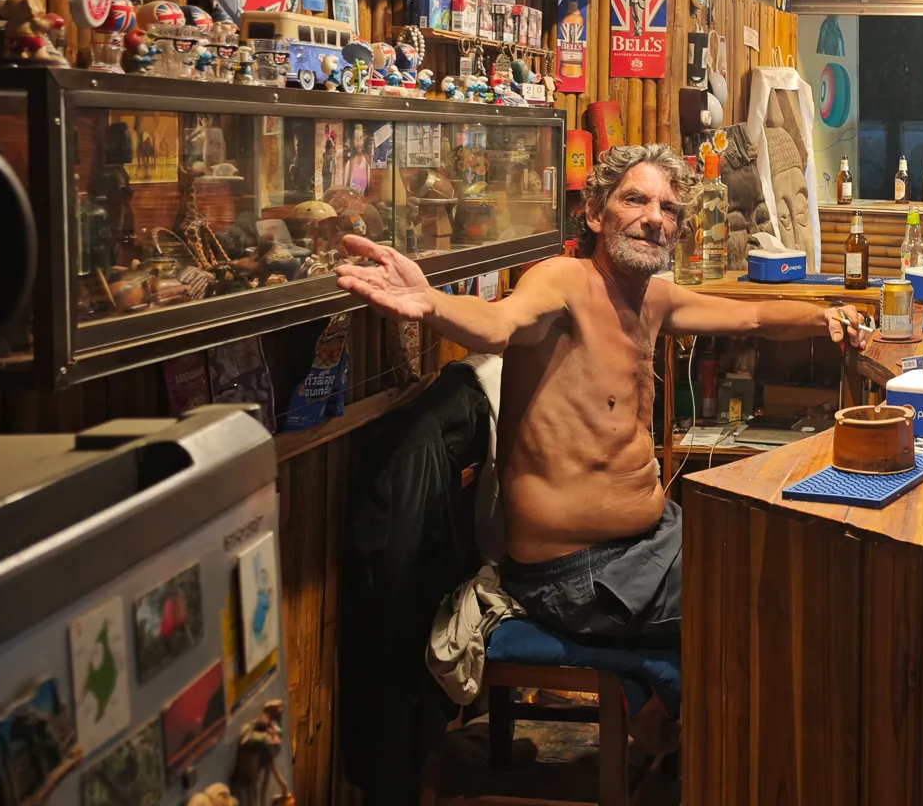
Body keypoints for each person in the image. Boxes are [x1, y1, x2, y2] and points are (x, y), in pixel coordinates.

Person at [336, 143, 867, 645]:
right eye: (635, 199)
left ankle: (668, 712)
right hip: (577, 573)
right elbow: (499, 325)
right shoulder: (562, 281)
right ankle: (687, 720)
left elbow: (754, 315)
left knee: (791, 552)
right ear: (594, 213)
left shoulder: (654, 300)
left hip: (647, 544)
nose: (654, 217)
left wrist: (826, 317)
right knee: (784, 596)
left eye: (668, 208)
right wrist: (428, 302)